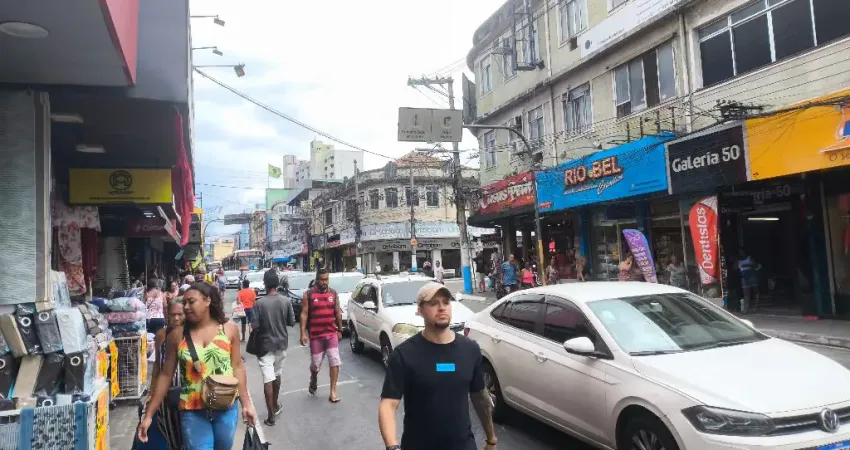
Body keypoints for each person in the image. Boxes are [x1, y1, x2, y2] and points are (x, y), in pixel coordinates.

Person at [137, 282, 257, 450]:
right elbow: (165, 375)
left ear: (207, 301)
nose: (186, 307)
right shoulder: (177, 335)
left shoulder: (229, 329)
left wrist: (247, 405)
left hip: (226, 408)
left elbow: (237, 367)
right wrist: (149, 414)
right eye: (184, 303)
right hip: (192, 411)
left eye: (191, 302)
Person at [378, 282, 497, 450]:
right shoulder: (403, 355)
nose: (442, 308)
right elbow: (388, 404)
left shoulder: (470, 349)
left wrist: (491, 438)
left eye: (446, 302)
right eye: (434, 303)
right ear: (420, 310)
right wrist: (392, 446)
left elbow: (480, 397)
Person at [136, 298, 186, 450]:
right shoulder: (161, 335)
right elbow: (158, 368)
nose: (176, 318)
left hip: (188, 393)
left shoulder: (194, 334)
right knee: (170, 435)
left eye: (180, 314)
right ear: (166, 315)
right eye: (172, 314)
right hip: (165, 394)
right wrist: (152, 394)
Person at [253, 269, 296, 426]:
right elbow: (291, 321)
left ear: (265, 284)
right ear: (277, 284)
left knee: (268, 378)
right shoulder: (286, 301)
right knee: (277, 375)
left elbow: (254, 326)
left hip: (265, 346)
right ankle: (275, 405)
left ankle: (271, 414)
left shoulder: (259, 303)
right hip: (281, 344)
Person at [299, 268, 343, 403]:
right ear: (317, 280)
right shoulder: (309, 294)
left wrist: (340, 330)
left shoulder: (333, 293)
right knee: (315, 364)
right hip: (316, 336)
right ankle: (314, 377)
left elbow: (337, 312)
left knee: (334, 361)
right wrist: (303, 333)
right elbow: (304, 314)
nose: (325, 282)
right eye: (322, 280)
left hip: (331, 334)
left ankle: (333, 391)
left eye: (327, 280)